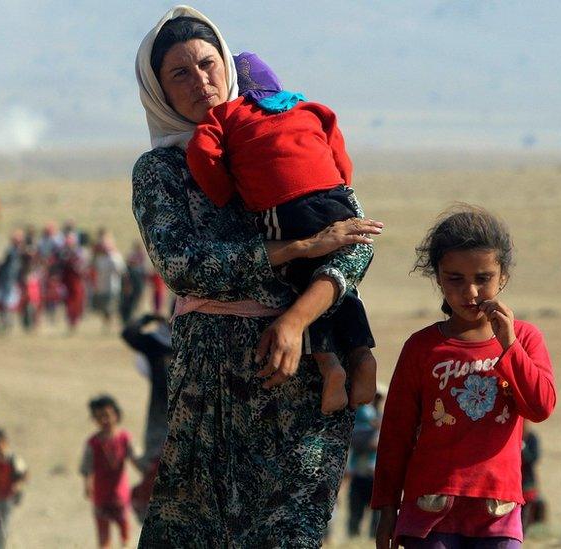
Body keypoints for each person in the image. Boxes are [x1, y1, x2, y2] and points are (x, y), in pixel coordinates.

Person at [132, 7, 382, 546]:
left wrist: (295, 320)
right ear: (159, 90)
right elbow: (183, 266)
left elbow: (353, 241)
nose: (201, 82)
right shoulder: (161, 172)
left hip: (305, 383)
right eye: (180, 73)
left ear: (226, 64)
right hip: (210, 393)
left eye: (208, 64)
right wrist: (293, 248)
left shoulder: (284, 131)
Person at [186, 51, 377, 413]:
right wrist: (338, 188)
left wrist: (225, 191)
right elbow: (339, 150)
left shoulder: (226, 114)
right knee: (339, 279)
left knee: (299, 276)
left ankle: (329, 365)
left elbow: (201, 152)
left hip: (285, 206)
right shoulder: (309, 107)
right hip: (335, 198)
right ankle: (362, 354)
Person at [372, 206, 556, 549]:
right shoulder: (422, 347)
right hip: (429, 511)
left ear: (502, 277)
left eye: (482, 278)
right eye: (455, 279)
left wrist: (509, 345)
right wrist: (385, 511)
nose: (470, 292)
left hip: (496, 512)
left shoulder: (525, 339)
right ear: (438, 277)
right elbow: (395, 433)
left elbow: (540, 406)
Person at [120, 314, 173, 522]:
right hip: (160, 419)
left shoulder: (194, 338)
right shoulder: (156, 345)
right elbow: (129, 333)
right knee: (155, 468)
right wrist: (148, 318)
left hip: (191, 417)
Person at [81, 395, 140, 549]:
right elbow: (87, 467)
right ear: (95, 419)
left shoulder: (124, 438)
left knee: (125, 532)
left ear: (116, 415)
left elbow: (136, 459)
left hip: (120, 496)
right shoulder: (92, 443)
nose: (105, 420)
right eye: (100, 417)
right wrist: (87, 485)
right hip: (100, 496)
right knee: (103, 537)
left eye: (107, 415)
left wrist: (147, 474)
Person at [0, 429, 28, 549]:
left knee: (5, 525)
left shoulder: (13, 459)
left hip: (8, 497)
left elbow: (24, 474)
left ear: (4, 442)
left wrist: (18, 485)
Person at [346, 392, 383, 539]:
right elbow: (362, 441)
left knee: (377, 517)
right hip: (360, 474)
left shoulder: (381, 420)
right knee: (356, 513)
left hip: (376, 477)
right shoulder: (360, 421)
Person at [520, 424, 545, 533]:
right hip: (511, 487)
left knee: (524, 518)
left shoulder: (531, 437)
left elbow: (534, 458)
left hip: (527, 486)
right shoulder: (510, 437)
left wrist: (523, 448)